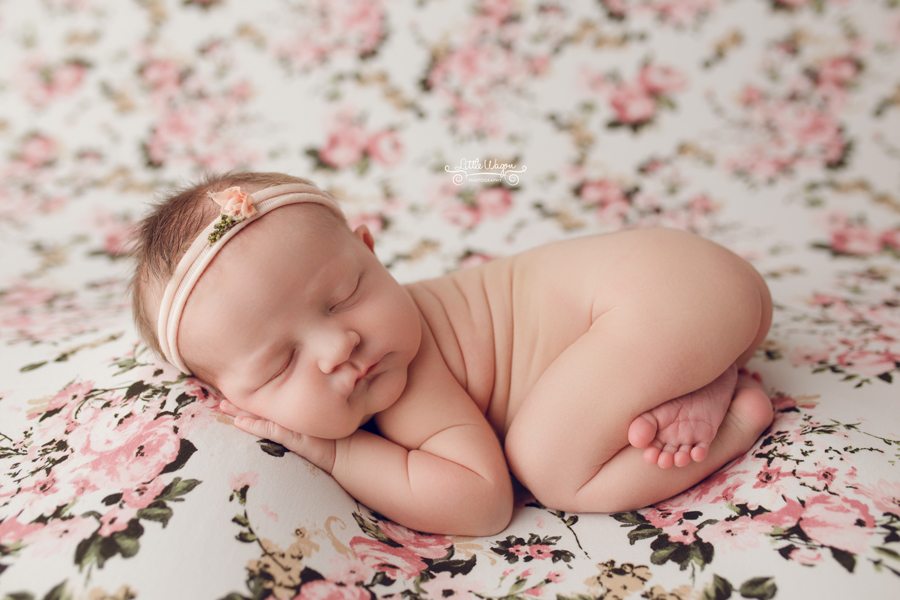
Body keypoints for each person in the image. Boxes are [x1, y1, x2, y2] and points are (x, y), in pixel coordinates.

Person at [128, 170, 775, 536]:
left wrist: (336, 450)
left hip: (667, 297)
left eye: (344, 295)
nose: (338, 346)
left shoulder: (408, 377)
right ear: (230, 398)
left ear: (372, 253)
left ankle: (737, 412)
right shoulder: (377, 355)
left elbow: (481, 502)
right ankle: (699, 369)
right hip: (686, 285)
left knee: (548, 466)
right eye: (280, 363)